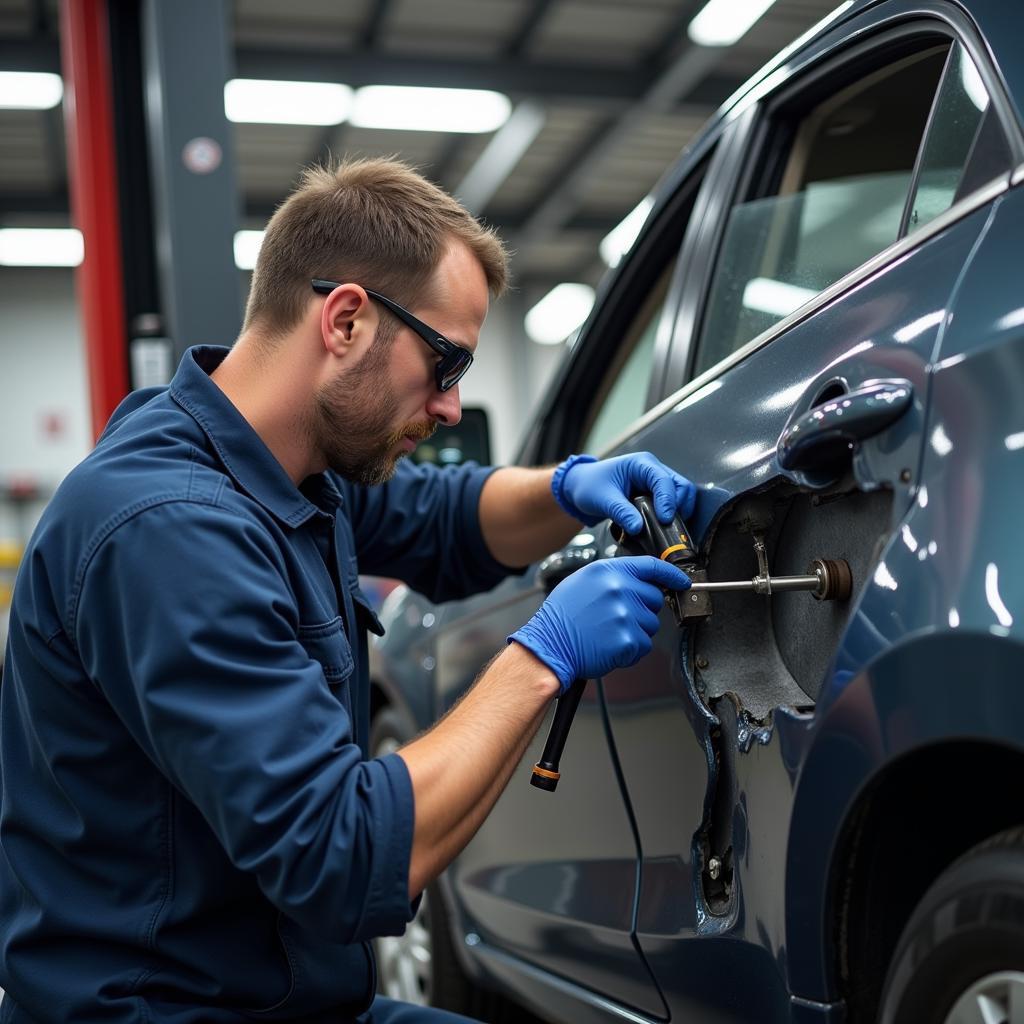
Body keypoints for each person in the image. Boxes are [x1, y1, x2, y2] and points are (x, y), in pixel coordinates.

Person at [0, 158, 694, 1023]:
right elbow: (342, 859)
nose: (450, 406)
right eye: (445, 364)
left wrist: (568, 488)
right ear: (347, 320)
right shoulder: (168, 532)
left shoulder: (277, 462)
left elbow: (443, 518)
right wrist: (542, 656)